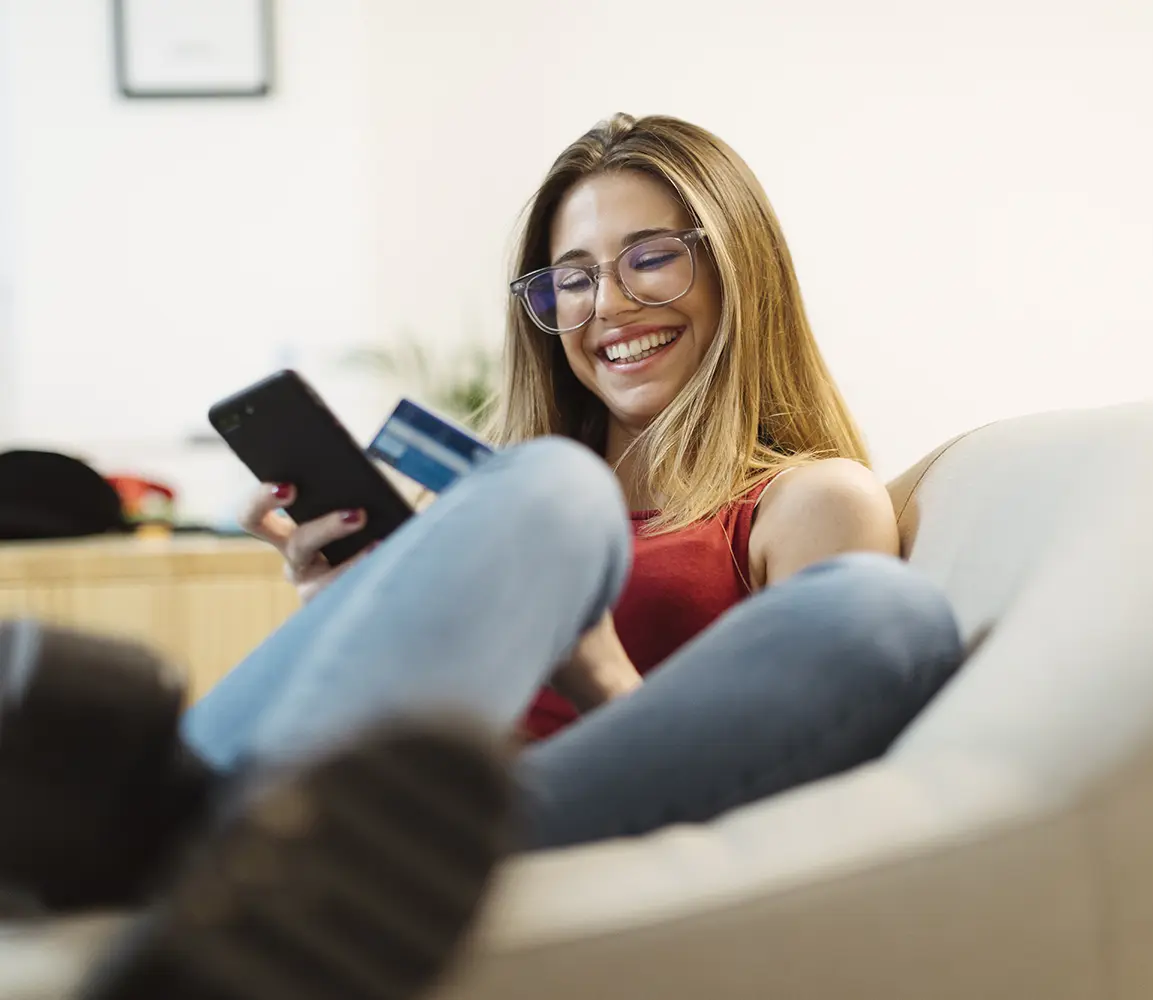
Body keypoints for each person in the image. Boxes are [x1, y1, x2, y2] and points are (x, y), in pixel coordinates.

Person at [0, 114, 963, 1000]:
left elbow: (790, 809)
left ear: (737, 267)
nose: (610, 305)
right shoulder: (512, 493)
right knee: (547, 490)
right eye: (574, 277)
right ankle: (191, 838)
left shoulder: (808, 498)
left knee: (887, 616)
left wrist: (594, 669)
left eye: (653, 258)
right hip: (350, 802)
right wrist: (344, 606)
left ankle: (191, 831)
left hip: (519, 830)